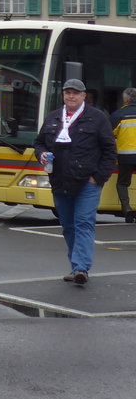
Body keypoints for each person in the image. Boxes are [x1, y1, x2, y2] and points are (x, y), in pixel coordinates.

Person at [34, 78, 117, 285]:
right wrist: (42, 154)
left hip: (87, 183)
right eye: (67, 92)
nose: (71, 96)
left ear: (83, 96)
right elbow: (39, 143)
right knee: (68, 226)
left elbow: (109, 150)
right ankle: (75, 266)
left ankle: (81, 268)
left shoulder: (97, 118)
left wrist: (97, 178)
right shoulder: (53, 117)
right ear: (63, 95)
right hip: (60, 181)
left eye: (75, 93)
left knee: (84, 223)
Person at [110, 86, 136, 223]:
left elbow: (108, 135)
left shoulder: (118, 115)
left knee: (122, 183)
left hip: (126, 157)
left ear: (125, 100)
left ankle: (127, 210)